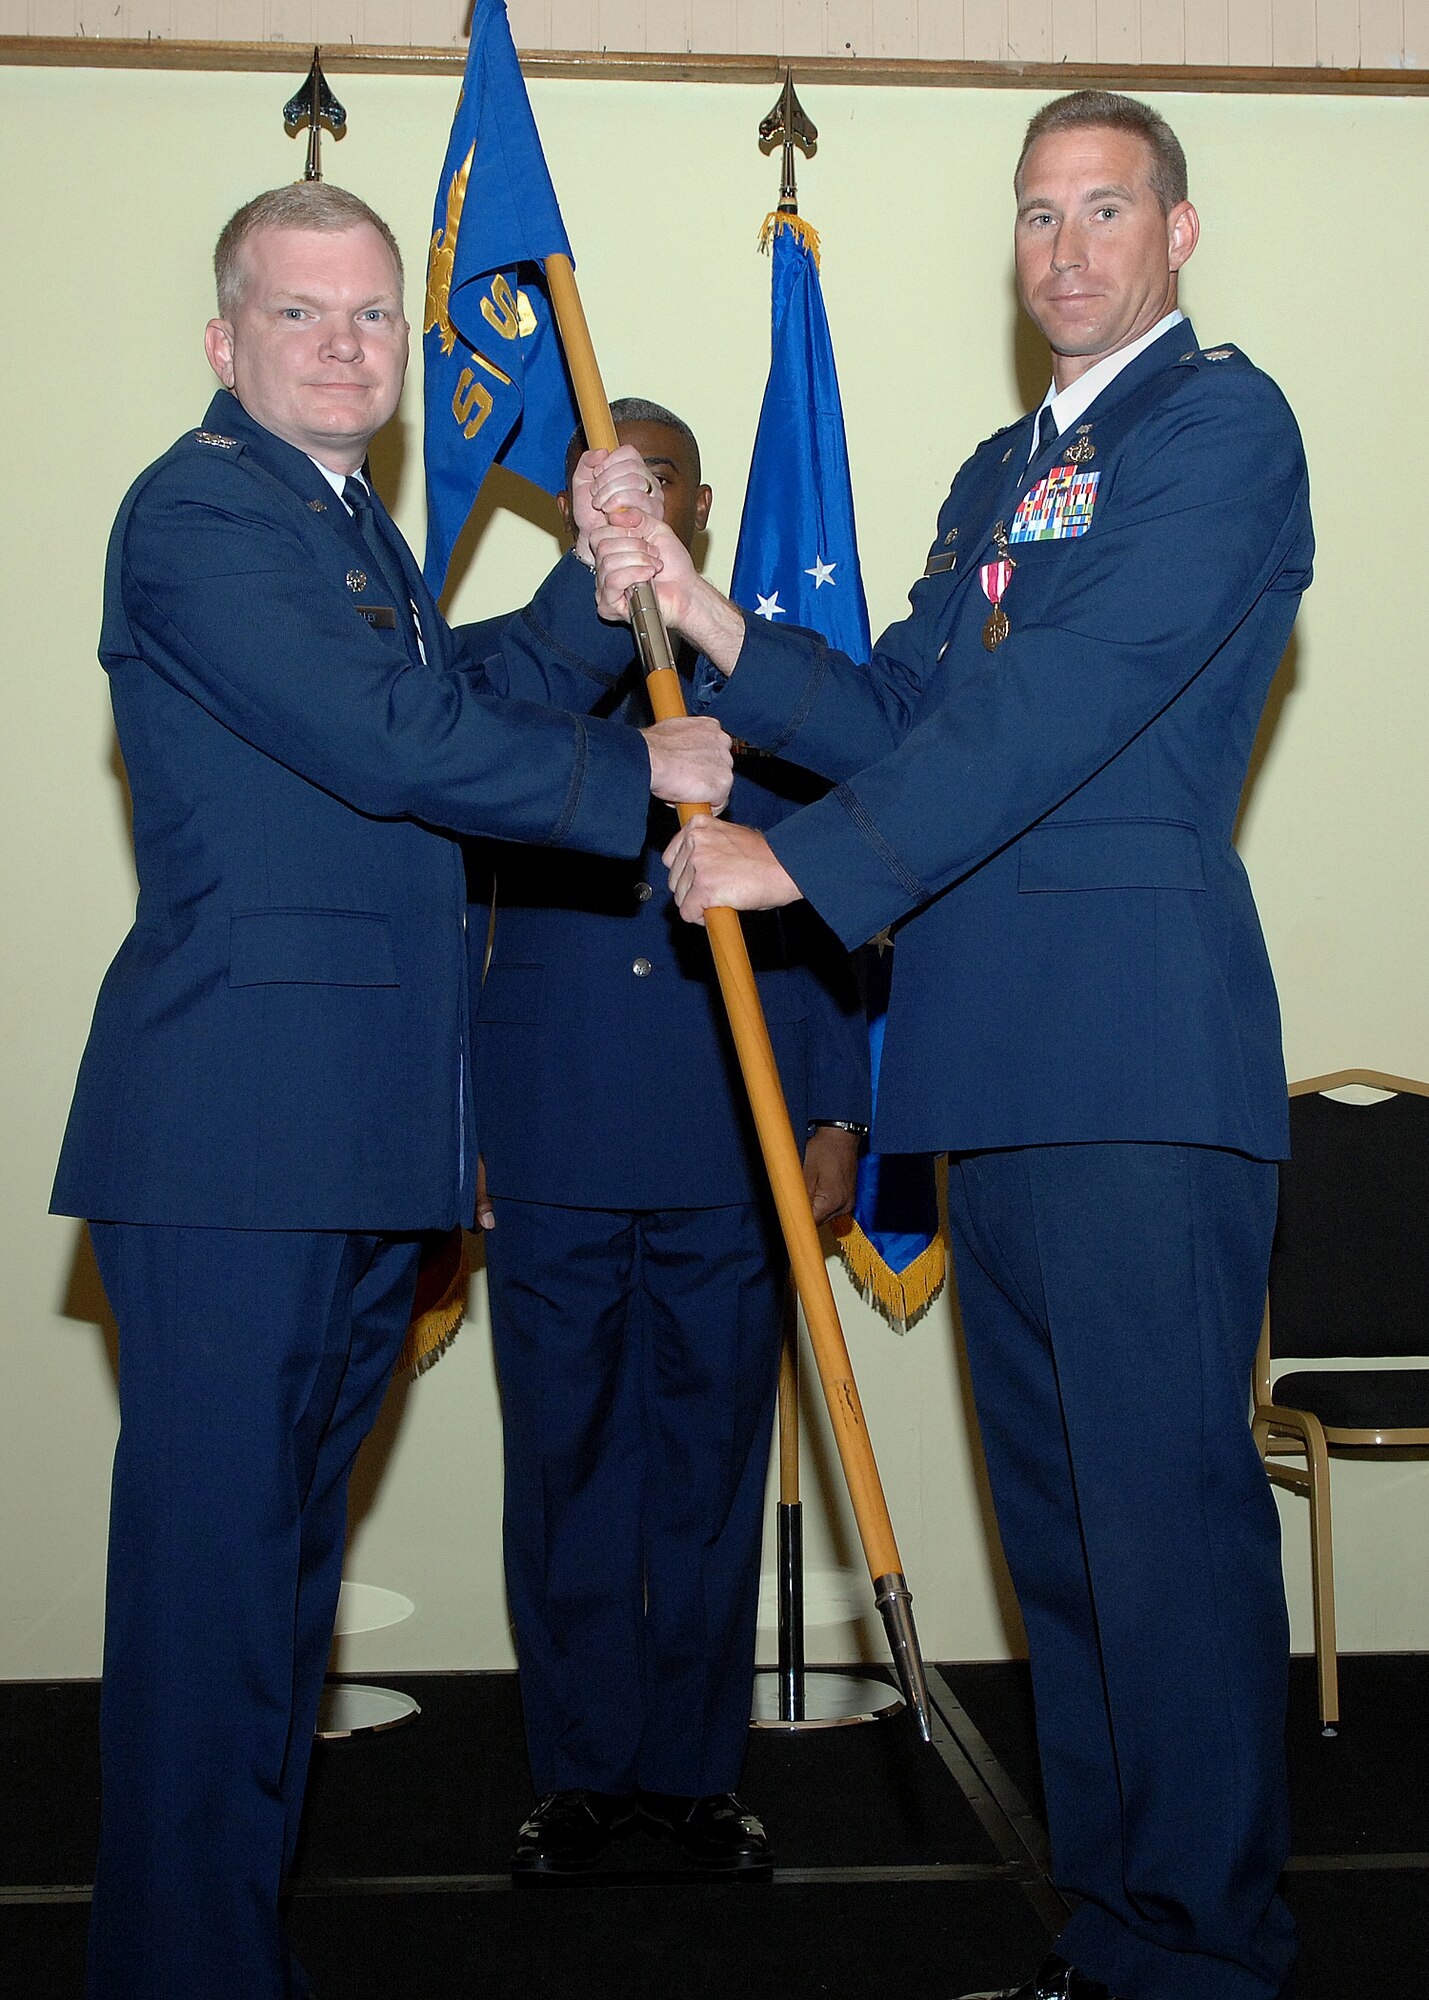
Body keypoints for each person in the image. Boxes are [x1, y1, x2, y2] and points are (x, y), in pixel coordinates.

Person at [590, 91, 1311, 2000]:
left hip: (1135, 1062)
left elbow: (1067, 701)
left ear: (1173, 233)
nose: (1064, 248)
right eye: (1034, 215)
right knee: (1066, 1562)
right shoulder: (1003, 470)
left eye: (1102, 210)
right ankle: (1119, 1939)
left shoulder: (1220, 430)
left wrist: (799, 863)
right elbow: (914, 697)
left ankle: (1212, 1959)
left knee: (1162, 1544)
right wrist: (705, 611)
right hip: (988, 1066)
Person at [50, 183, 732, 2000]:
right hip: (238, 1147)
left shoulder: (341, 527)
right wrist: (629, 779)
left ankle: (214, 1959)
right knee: (212, 1618)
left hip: (350, 1146)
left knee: (268, 1611)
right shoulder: (201, 509)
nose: (347, 343)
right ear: (225, 340)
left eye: (369, 317)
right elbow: (388, 738)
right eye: (302, 313)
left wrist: (612, 593)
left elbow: (461, 678)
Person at [464, 398, 869, 1881]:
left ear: (696, 505)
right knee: (564, 1464)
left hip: (728, 1122)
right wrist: (464, 1127)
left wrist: (835, 1113)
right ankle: (578, 1775)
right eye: (611, 479)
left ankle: (694, 1777)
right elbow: (461, 907)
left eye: (664, 479)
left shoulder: (776, 673)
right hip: (550, 1123)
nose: (642, 502)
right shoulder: (525, 668)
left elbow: (830, 892)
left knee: (707, 1463)